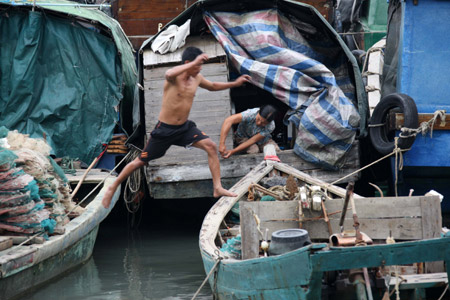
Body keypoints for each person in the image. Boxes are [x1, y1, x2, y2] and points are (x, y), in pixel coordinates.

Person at [102, 46, 251, 208]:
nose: (199, 69)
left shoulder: (197, 78)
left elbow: (213, 85)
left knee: (211, 146)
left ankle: (217, 187)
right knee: (140, 162)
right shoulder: (174, 77)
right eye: (197, 65)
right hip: (164, 130)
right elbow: (168, 73)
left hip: (184, 128)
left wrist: (235, 83)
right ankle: (113, 186)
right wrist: (194, 62)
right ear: (188, 63)